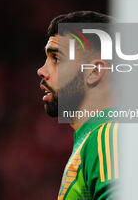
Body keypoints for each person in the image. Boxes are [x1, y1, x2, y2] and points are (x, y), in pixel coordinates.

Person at [37, 11, 119, 200]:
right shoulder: (93, 139)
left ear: (94, 71)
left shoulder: (107, 135)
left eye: (57, 59)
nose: (41, 71)